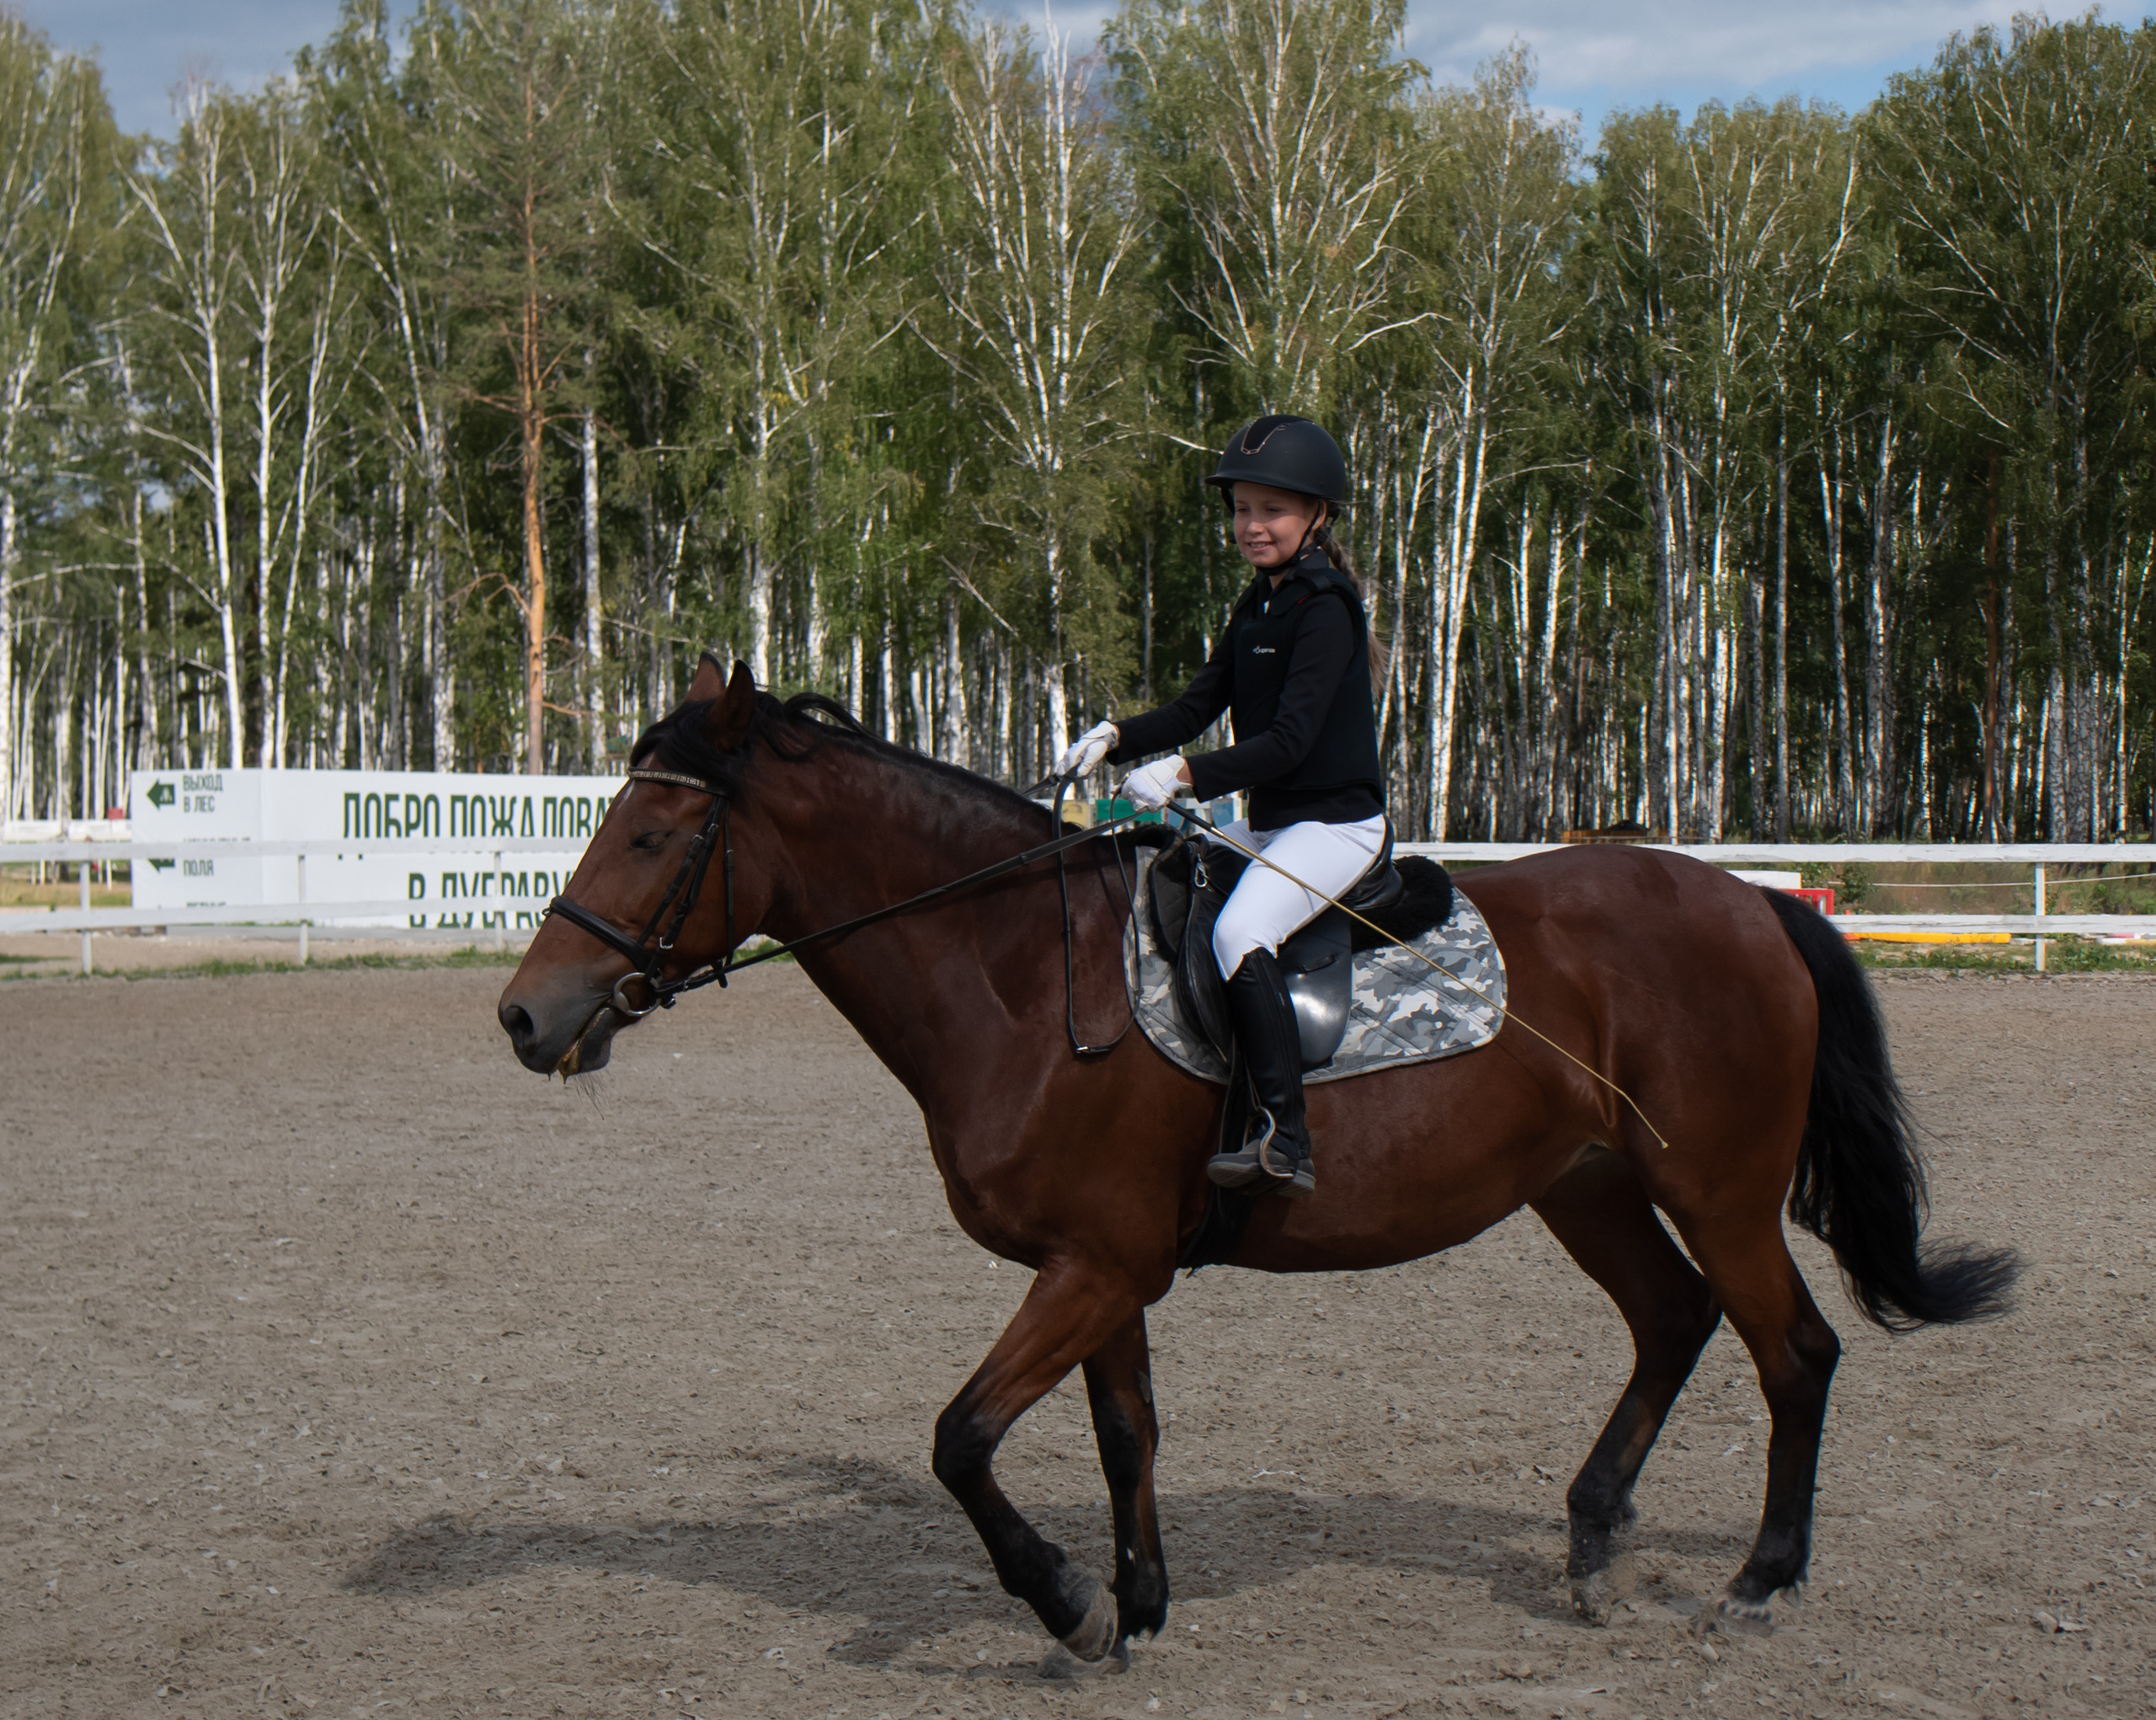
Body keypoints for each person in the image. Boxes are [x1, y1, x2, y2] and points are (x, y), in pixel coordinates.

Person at [1053, 415, 1386, 1198]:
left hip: (1336, 828)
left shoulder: (1326, 606)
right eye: (1241, 509)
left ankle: (1286, 1138)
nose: (1251, 526)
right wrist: (1115, 737)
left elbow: (1290, 744)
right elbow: (1197, 705)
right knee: (1159, 882)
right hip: (1272, 826)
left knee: (1241, 932)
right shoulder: (1260, 602)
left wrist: (1182, 775)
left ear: (1318, 516)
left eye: (1272, 510)